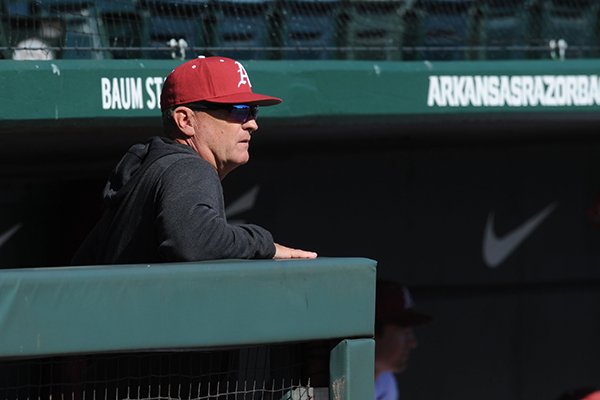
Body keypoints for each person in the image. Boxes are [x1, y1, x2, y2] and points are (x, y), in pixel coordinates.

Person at [72, 56, 317, 265]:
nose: (253, 124)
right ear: (185, 121)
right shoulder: (189, 168)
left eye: (254, 111)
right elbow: (194, 241)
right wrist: (265, 244)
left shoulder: (152, 171)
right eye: (239, 110)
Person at [374, 280, 432, 400]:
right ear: (372, 332)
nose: (413, 343)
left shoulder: (386, 382)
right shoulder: (333, 379)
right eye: (405, 332)